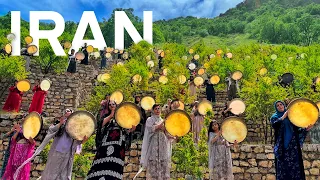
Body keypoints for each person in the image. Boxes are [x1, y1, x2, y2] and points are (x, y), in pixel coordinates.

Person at [87, 101, 135, 179]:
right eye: (110, 105)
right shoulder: (106, 116)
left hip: (118, 144)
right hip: (105, 143)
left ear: (117, 105)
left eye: (113, 104)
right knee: (101, 162)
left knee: (115, 165)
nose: (111, 105)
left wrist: (131, 130)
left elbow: (126, 131)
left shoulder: (122, 117)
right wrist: (111, 115)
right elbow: (100, 125)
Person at [270, 100, 313, 180]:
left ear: (284, 105)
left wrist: (306, 129)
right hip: (282, 147)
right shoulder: (275, 117)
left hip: (293, 146)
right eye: (278, 105)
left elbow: (297, 130)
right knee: (283, 167)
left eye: (281, 104)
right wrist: (283, 117)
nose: (280, 106)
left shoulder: (292, 116)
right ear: (276, 108)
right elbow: (275, 125)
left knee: (295, 167)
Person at [40, 109, 88, 180]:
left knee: (64, 173)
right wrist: (60, 124)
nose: (68, 118)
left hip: (68, 153)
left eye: (70, 116)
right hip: (57, 151)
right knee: (52, 170)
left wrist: (83, 140)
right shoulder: (59, 123)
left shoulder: (76, 127)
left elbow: (78, 141)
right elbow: (51, 130)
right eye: (67, 116)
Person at [140, 104, 174, 180]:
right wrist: (163, 122)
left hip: (162, 143)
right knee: (153, 162)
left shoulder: (162, 120)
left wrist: (173, 136)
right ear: (153, 110)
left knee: (163, 162)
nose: (158, 110)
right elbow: (152, 129)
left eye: (159, 108)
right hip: (154, 143)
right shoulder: (150, 120)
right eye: (156, 109)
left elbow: (166, 133)